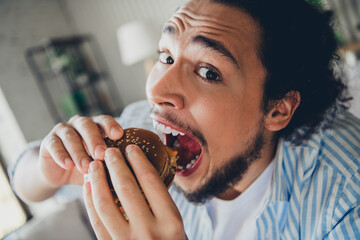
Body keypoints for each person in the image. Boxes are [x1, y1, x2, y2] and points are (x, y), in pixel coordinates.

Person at [10, 0, 360, 239]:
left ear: (277, 109)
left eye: (208, 71)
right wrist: (47, 167)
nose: (157, 89)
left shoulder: (346, 200)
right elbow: (23, 178)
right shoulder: (145, 127)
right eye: (166, 55)